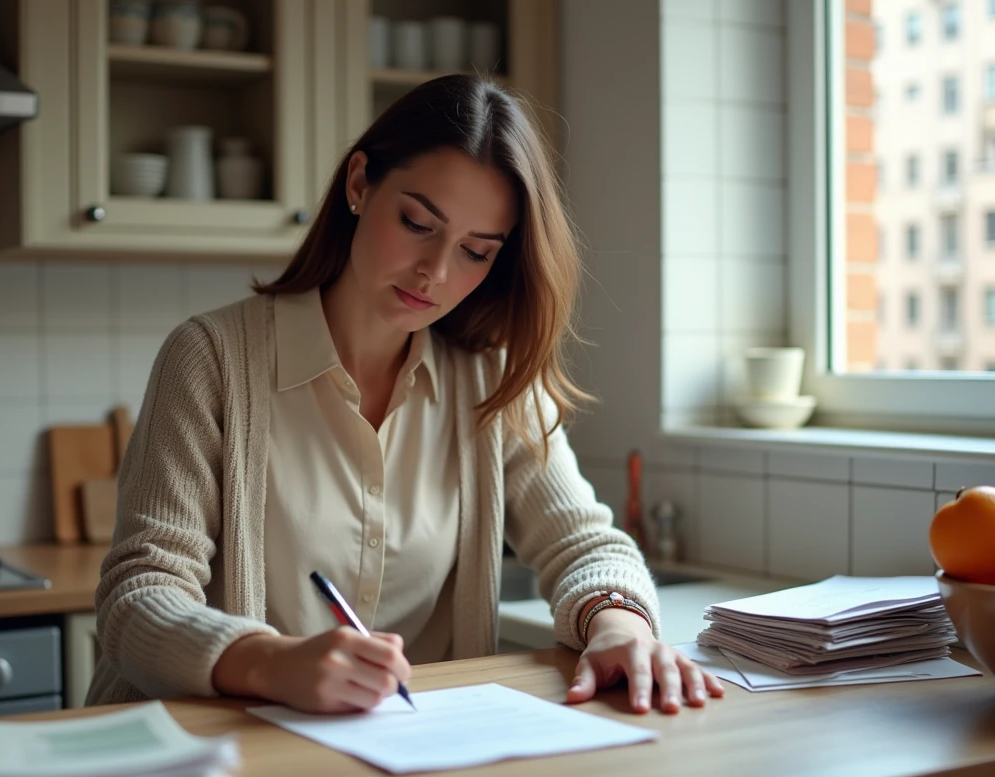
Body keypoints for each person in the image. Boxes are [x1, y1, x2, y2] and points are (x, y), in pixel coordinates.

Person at [86, 74, 723, 715]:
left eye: (476, 252)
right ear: (359, 184)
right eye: (418, 223)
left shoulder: (488, 379)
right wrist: (269, 662)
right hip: (208, 751)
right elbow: (140, 594)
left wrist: (618, 626)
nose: (436, 273)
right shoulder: (211, 358)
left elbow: (584, 543)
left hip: (399, 754)